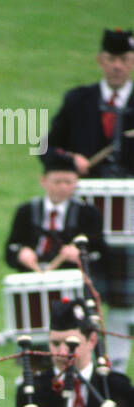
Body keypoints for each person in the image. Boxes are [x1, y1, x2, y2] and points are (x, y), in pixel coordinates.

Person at [48, 27, 134, 367]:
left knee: (126, 301)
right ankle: (85, 365)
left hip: (131, 223)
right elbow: (46, 146)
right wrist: (71, 161)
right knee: (87, 295)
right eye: (111, 59)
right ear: (101, 60)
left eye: (125, 60)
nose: (117, 66)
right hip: (84, 219)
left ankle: (118, 370)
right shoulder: (77, 100)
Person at [4, 150, 107, 278]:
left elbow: (100, 253)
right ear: (43, 181)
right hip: (33, 275)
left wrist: (80, 255)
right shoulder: (26, 211)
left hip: (73, 277)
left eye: (68, 182)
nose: (63, 187)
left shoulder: (88, 213)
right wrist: (20, 253)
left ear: (76, 183)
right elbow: (10, 249)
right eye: (57, 182)